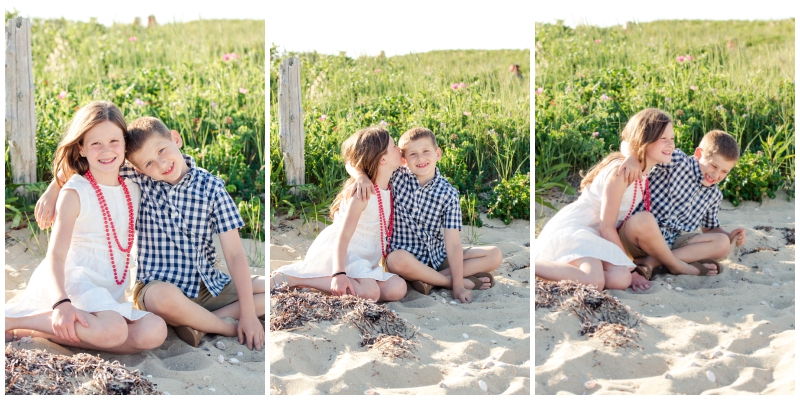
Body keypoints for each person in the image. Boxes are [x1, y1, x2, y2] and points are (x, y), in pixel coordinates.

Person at [35, 116, 265, 350]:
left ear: (175, 138)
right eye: (149, 164)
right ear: (138, 169)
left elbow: (235, 254)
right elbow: (93, 162)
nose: (161, 164)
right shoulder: (142, 180)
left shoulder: (212, 188)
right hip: (157, 290)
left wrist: (248, 316)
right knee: (163, 298)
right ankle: (219, 325)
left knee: (270, 294)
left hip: (207, 285)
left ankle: (199, 324)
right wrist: (54, 189)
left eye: (162, 150)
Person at [6, 101, 167, 354]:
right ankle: (15, 321)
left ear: (125, 144)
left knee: (155, 330)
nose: (106, 151)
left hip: (108, 289)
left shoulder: (133, 186)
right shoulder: (75, 192)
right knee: (114, 330)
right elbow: (56, 256)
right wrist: (60, 303)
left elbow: (165, 163)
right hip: (74, 282)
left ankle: (45, 331)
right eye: (95, 144)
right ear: (81, 148)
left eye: (114, 141)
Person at [535, 108, 712, 290]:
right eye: (663, 139)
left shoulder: (641, 169)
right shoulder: (621, 174)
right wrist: (633, 269)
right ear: (644, 140)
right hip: (580, 229)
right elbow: (606, 226)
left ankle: (569, 270)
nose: (671, 145)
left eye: (672, 138)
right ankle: (535, 266)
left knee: (620, 279)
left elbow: (627, 145)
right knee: (595, 281)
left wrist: (628, 271)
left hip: (597, 236)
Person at [351, 127, 503, 304]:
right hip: (407, 260)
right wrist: (361, 176)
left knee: (495, 255)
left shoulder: (448, 193)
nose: (421, 158)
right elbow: (351, 163)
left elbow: (453, 244)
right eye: (413, 154)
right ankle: (449, 281)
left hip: (438, 256)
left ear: (437, 153)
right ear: (403, 160)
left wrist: (458, 284)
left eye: (426, 151)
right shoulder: (396, 177)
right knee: (395, 259)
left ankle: (429, 280)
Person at [270, 127, 408, 302]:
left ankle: (339, 283)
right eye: (394, 146)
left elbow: (352, 164)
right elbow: (342, 237)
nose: (399, 149)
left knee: (397, 288)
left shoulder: (389, 184)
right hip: (344, 254)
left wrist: (360, 175)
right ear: (382, 159)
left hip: (364, 259)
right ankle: (294, 278)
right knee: (370, 293)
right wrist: (339, 273)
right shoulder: (362, 193)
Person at [617, 129, 746, 292]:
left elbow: (710, 229)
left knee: (722, 243)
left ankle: (651, 263)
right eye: (714, 165)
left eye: (724, 171)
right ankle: (673, 264)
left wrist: (729, 236)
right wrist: (632, 158)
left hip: (673, 242)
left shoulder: (714, 194)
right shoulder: (677, 161)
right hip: (641, 236)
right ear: (699, 153)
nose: (716, 174)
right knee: (644, 219)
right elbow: (628, 145)